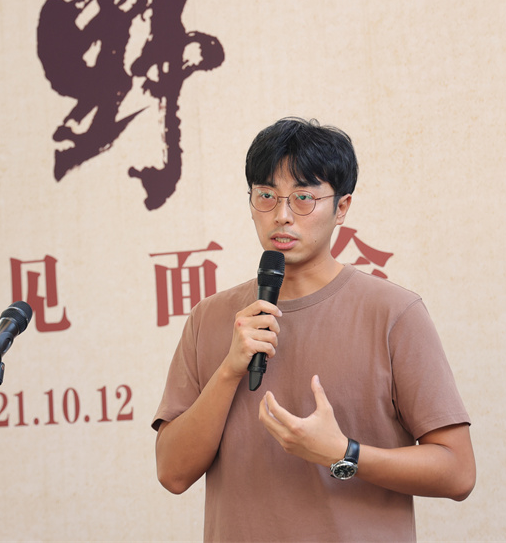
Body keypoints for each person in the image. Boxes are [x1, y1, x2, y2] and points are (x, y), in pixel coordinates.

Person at [152, 117, 475, 542]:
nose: (282, 216)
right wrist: (229, 369)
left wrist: (344, 453)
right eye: (266, 196)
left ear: (342, 207)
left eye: (303, 197)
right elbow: (172, 473)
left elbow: (458, 472)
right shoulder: (209, 318)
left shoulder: (394, 313)